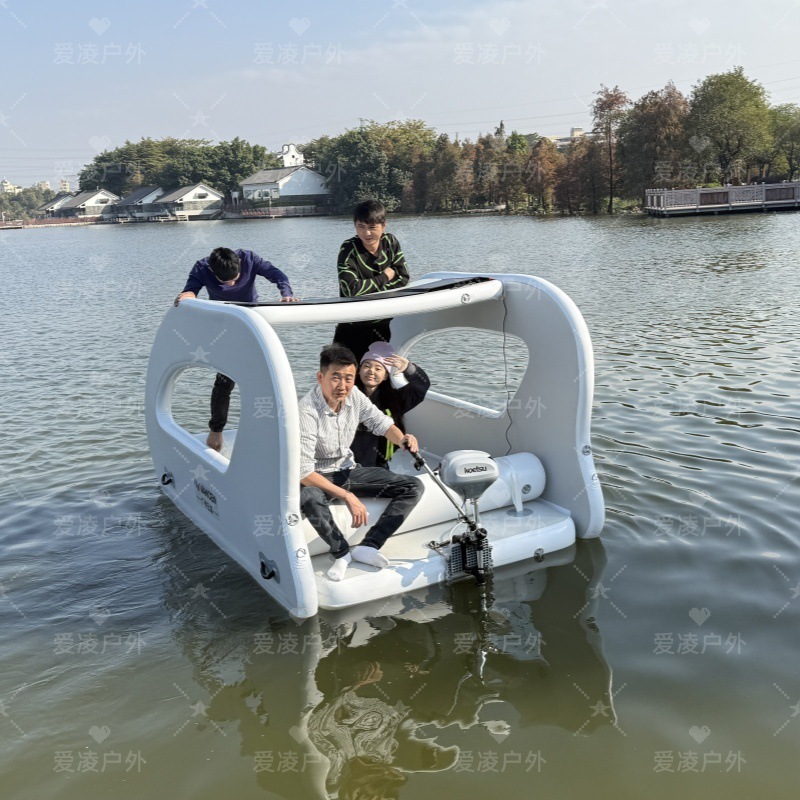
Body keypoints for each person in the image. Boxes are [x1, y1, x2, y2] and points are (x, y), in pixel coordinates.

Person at [299, 344, 424, 581]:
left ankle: (370, 545)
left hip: (347, 470)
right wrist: (348, 497)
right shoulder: (305, 411)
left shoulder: (354, 395)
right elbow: (304, 473)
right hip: (317, 477)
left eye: (348, 378)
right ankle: (342, 553)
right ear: (320, 377)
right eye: (335, 378)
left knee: (413, 486)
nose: (343, 386)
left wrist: (402, 439)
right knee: (309, 497)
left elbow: (381, 423)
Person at [173, 247, 299, 452]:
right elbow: (190, 291)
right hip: (225, 329)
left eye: (235, 278)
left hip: (253, 325)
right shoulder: (202, 267)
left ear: (240, 265)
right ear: (212, 272)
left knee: (267, 378)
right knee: (224, 381)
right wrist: (187, 294)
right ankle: (216, 430)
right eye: (225, 282)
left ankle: (276, 428)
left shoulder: (249, 259)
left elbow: (277, 274)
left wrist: (286, 293)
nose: (231, 284)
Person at [333, 199, 410, 361]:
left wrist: (368, 289)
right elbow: (351, 290)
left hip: (384, 324)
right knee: (342, 377)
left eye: (372, 227)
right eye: (361, 227)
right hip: (352, 325)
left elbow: (403, 279)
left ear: (384, 225)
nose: (366, 233)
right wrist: (385, 276)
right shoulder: (348, 249)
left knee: (378, 379)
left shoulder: (391, 242)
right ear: (354, 225)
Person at [352, 342, 430, 470]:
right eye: (366, 366)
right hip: (346, 461)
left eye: (378, 368)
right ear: (359, 371)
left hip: (378, 464)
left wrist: (408, 368)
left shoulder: (394, 399)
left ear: (385, 376)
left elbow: (421, 387)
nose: (371, 371)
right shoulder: (346, 396)